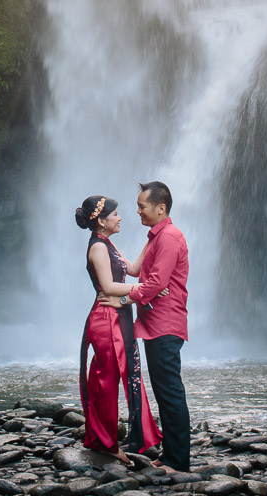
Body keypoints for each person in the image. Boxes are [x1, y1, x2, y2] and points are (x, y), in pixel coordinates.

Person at [97, 181, 190, 473]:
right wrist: (105, 244)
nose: (136, 211)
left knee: (171, 391)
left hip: (166, 324)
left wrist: (123, 298)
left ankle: (178, 461)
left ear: (160, 208)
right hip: (153, 323)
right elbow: (138, 272)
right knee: (164, 391)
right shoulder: (156, 236)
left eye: (141, 206)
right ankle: (170, 452)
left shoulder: (170, 238)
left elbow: (157, 284)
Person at [76, 194, 162, 464]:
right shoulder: (98, 248)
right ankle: (106, 443)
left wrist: (153, 238)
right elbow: (109, 288)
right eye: (115, 214)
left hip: (119, 315)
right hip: (106, 319)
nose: (120, 217)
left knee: (114, 377)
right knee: (106, 381)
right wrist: (149, 291)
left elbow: (134, 269)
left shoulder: (108, 243)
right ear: (101, 221)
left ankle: (105, 439)